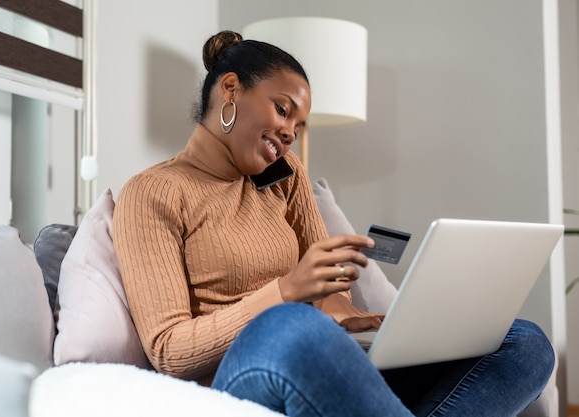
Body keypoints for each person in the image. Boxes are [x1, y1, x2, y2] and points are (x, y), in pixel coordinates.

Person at [113, 30, 555, 417]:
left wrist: (353, 315)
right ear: (230, 89)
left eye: (299, 125)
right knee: (287, 323)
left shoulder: (285, 175)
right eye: (282, 110)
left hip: (321, 359)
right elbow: (169, 351)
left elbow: (328, 288)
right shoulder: (153, 192)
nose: (290, 133)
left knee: (523, 342)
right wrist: (286, 292)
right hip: (235, 379)